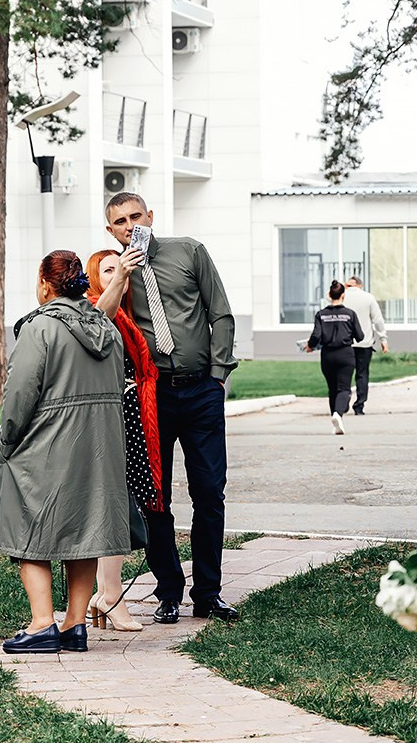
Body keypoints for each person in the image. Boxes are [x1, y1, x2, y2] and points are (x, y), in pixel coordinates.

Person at [103, 191, 240, 624]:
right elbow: (100, 322)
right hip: (152, 395)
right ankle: (168, 591)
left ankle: (208, 593)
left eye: (135, 216)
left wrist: (218, 375)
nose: (129, 226)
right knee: (155, 499)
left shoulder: (189, 251)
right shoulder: (114, 272)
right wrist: (120, 278)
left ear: (150, 216)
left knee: (209, 494)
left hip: (201, 392)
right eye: (120, 222)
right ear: (111, 231)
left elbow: (220, 313)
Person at [0, 250, 130, 654]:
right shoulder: (107, 327)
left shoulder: (41, 328)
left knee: (27, 527)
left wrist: (8, 440)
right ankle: (74, 624)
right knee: (83, 531)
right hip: (98, 446)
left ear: (45, 283)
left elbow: (20, 394)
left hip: (48, 443)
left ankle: (41, 623)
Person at [84, 247, 165, 633]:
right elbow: (103, 316)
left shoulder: (131, 314)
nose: (122, 273)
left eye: (123, 267)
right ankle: (112, 597)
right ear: (94, 276)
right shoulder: (96, 310)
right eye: (110, 269)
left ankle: (104, 595)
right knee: (117, 506)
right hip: (113, 414)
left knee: (122, 503)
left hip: (130, 413)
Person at [305, 280, 364, 435]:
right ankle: (338, 414)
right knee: (344, 388)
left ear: (329, 295)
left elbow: (316, 335)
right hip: (345, 354)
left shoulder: (321, 315)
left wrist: (310, 346)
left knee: (332, 389)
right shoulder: (350, 314)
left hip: (328, 355)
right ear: (343, 296)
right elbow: (360, 336)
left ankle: (336, 420)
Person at [343, 276, 388, 415]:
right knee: (362, 374)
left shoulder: (341, 296)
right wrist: (383, 338)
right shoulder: (368, 298)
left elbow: (328, 297)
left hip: (345, 344)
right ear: (361, 285)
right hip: (364, 343)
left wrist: (344, 286)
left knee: (344, 375)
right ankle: (359, 405)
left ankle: (343, 402)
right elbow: (378, 320)